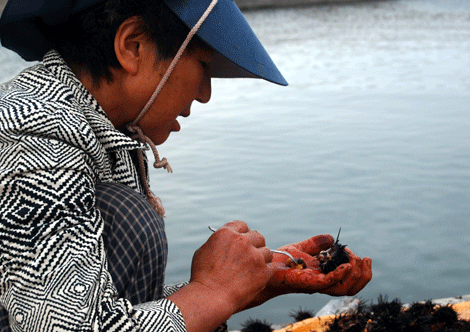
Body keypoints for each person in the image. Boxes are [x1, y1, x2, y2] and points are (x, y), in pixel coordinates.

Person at [0, 0, 372, 331]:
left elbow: (107, 310)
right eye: (203, 64)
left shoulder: (100, 127)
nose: (205, 93)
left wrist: (253, 281)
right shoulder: (34, 139)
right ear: (134, 46)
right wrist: (213, 291)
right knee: (127, 215)